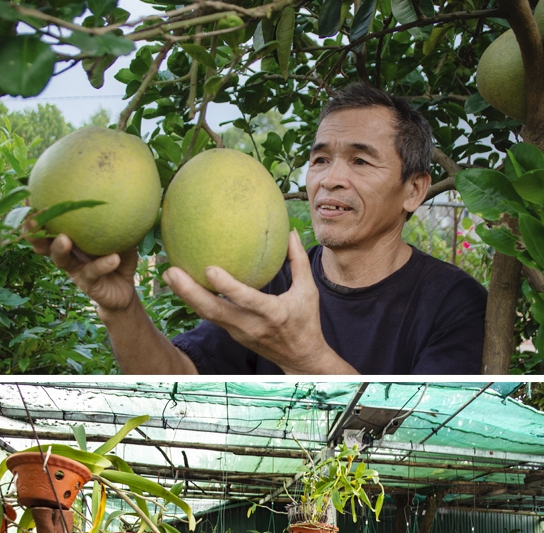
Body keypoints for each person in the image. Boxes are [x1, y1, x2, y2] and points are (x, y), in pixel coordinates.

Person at [30, 83, 487, 374]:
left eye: (361, 160)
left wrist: (303, 354)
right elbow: (181, 377)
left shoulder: (454, 304)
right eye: (320, 159)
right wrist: (122, 307)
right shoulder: (271, 280)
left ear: (414, 190)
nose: (329, 179)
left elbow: (399, 439)